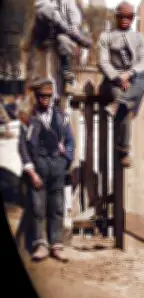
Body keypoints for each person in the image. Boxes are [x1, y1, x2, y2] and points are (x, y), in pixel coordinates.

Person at [17, 78, 74, 262]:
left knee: (57, 207)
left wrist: (65, 160)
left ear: (52, 97)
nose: (45, 99)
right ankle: (40, 244)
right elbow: (23, 147)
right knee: (38, 207)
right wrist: (31, 171)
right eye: (42, 96)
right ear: (37, 96)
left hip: (57, 167)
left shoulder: (62, 117)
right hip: (39, 167)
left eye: (48, 96)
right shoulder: (29, 119)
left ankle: (56, 244)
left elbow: (71, 142)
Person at [97, 1, 144, 169]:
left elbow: (143, 61)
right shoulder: (106, 36)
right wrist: (117, 77)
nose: (125, 20)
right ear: (116, 17)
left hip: (132, 78)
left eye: (129, 17)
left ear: (132, 19)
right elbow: (102, 62)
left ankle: (120, 103)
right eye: (122, 16)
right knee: (120, 97)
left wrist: (129, 74)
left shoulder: (138, 37)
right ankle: (123, 149)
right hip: (111, 81)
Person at [29, 0, 92, 98]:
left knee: (63, 41)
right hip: (45, 46)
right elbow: (51, 16)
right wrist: (73, 34)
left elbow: (74, 13)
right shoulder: (43, 3)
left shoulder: (67, 2)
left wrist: (74, 27)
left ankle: (67, 75)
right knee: (47, 82)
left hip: (62, 44)